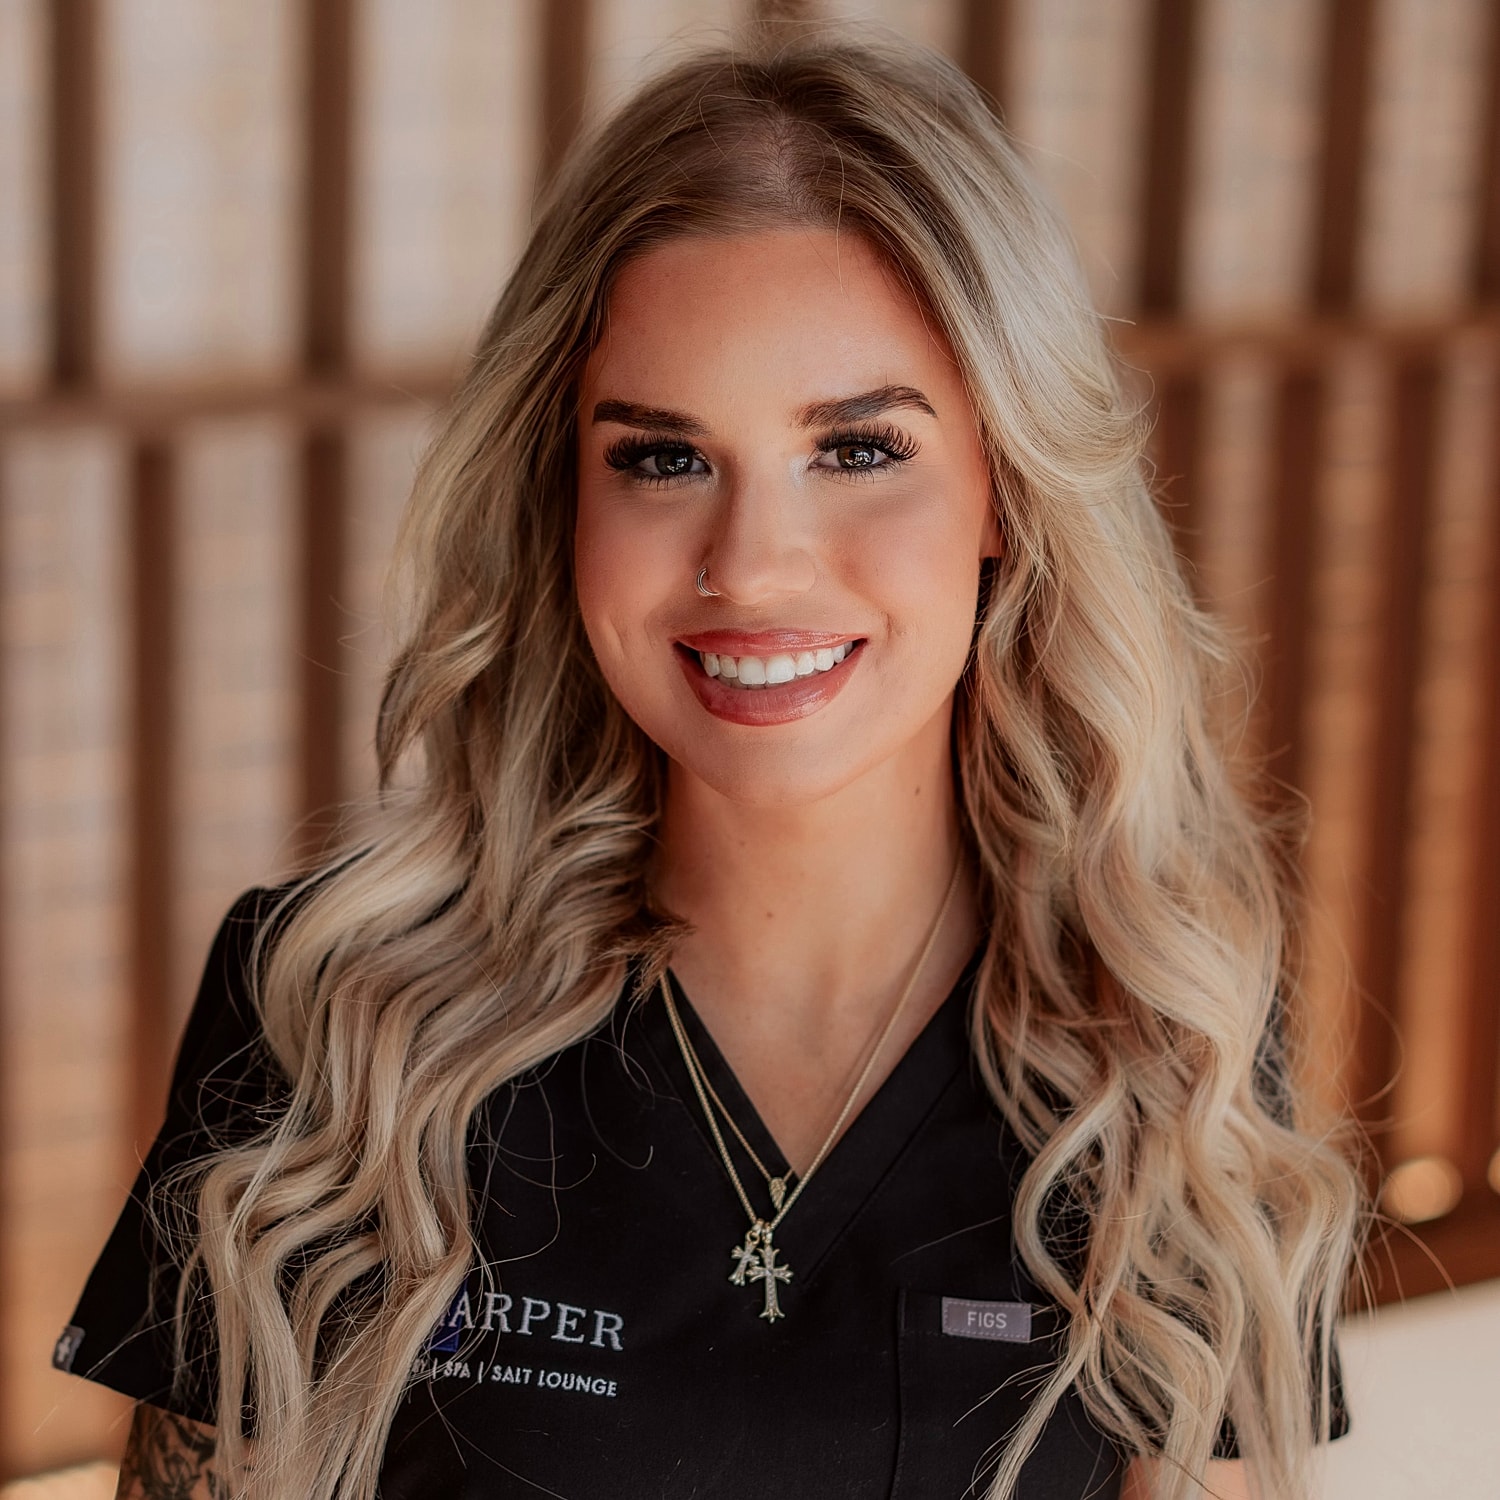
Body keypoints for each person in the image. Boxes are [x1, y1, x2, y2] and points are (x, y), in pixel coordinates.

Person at [57, 26, 1358, 1500]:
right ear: (561, 492)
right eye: (661, 457)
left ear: (1008, 486)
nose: (753, 566)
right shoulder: (332, 1014)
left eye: (858, 449)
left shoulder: (1166, 1037)